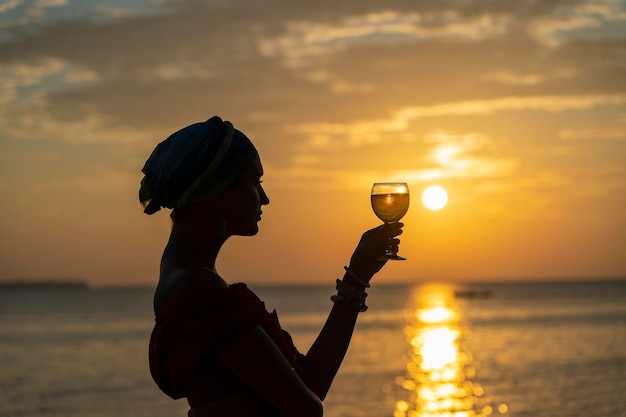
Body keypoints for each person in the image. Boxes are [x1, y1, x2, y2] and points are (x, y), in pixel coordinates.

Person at [139, 116, 404, 417]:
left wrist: (357, 277)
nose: (265, 198)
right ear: (219, 191)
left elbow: (310, 383)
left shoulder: (186, 278)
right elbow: (306, 408)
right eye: (255, 182)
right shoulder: (199, 290)